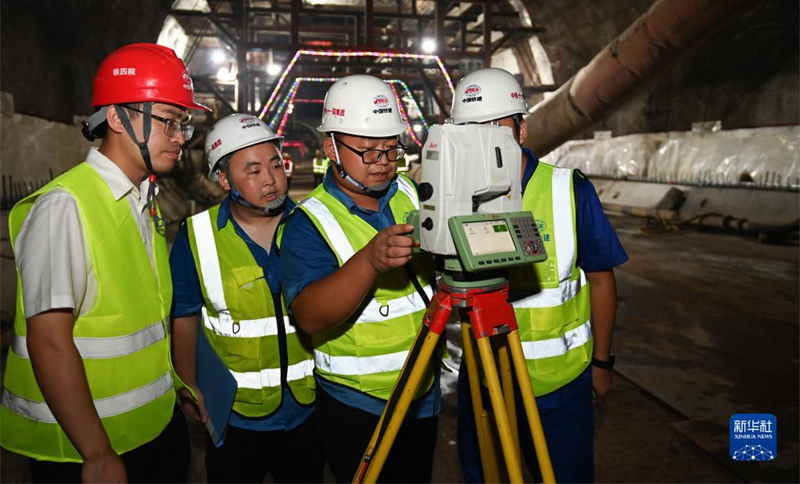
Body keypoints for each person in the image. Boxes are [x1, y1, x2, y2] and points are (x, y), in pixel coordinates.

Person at [0, 43, 211, 483]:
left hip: (154, 430)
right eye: (169, 121)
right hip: (87, 450)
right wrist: (96, 452)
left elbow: (142, 321)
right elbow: (50, 343)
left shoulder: (143, 201)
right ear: (116, 118)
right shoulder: (65, 207)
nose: (179, 137)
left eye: (183, 125)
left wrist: (174, 391)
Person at [451, 68, 628, 483]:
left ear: (522, 129)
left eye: (499, 126)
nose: (488, 140)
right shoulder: (451, 195)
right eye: (473, 130)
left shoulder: (569, 189)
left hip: (560, 386)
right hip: (484, 381)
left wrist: (602, 363)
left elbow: (602, 280)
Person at [278, 74, 440, 483]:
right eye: (368, 151)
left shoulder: (408, 191)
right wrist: (369, 261)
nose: (384, 162)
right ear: (330, 146)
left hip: (422, 394)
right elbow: (310, 316)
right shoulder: (308, 223)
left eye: (391, 149)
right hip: (358, 406)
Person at [169, 113, 323, 483]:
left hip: (308, 409)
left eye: (275, 165)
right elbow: (184, 316)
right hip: (236, 419)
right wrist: (188, 385)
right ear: (223, 179)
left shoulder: (312, 226)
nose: (270, 180)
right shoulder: (198, 237)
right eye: (252, 171)